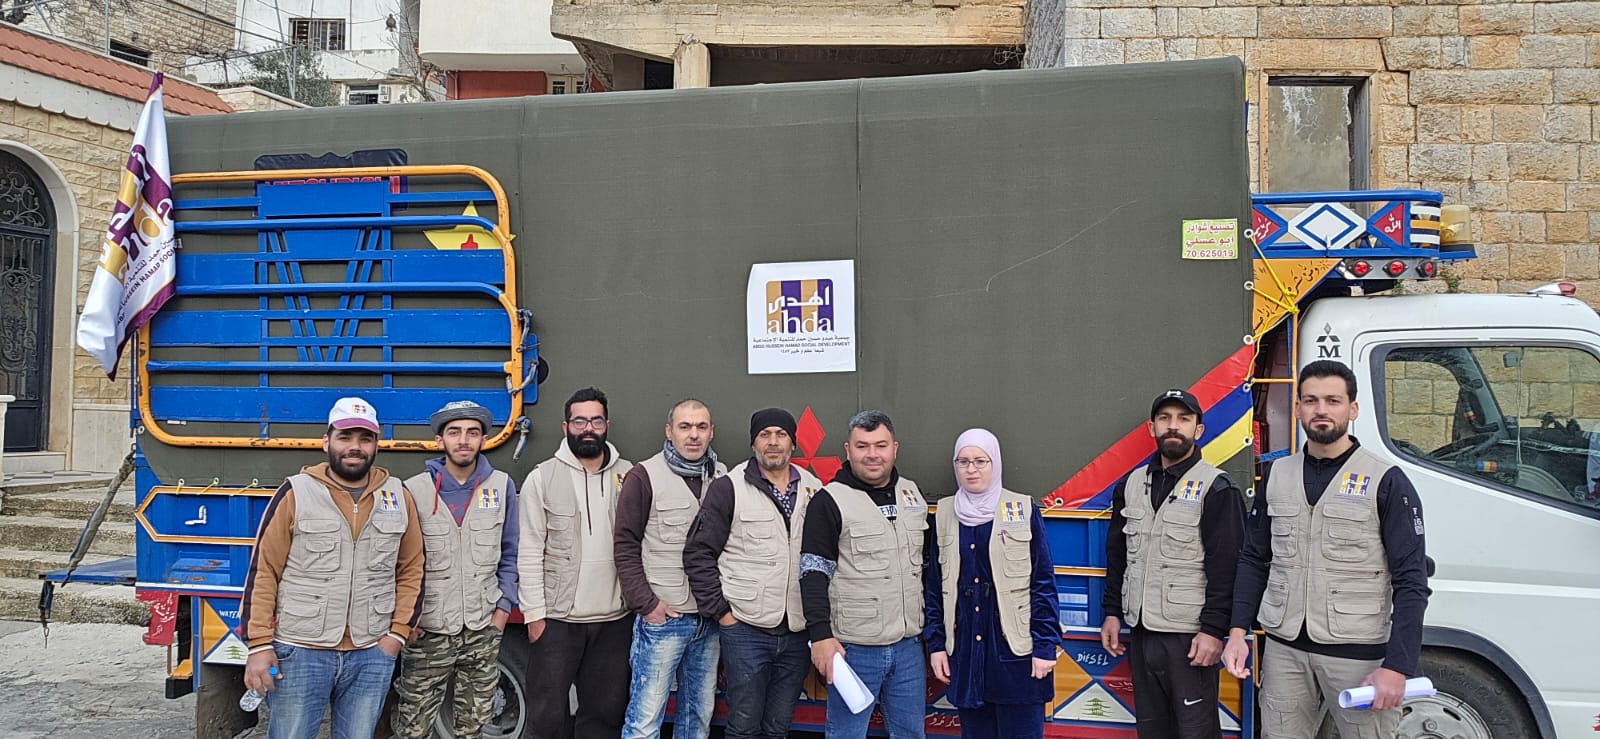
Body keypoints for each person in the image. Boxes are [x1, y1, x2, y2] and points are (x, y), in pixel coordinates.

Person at [1222, 360, 1431, 737]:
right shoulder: (1276, 476)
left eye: (1333, 401)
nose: (1321, 410)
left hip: (1359, 658)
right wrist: (1238, 632)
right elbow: (1254, 560)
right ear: (1298, 408)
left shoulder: (1386, 481)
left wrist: (1397, 666)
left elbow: (1411, 581)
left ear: (1353, 409)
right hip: (1284, 653)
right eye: (1311, 400)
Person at [240, 397, 425, 739]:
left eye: (365, 439)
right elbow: (263, 571)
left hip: (371, 653)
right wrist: (259, 645)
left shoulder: (399, 496)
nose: (355, 447)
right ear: (326, 442)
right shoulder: (295, 493)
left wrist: (396, 636)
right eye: (345, 437)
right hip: (301, 650)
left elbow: (412, 568)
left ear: (377, 444)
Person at [1100, 390, 1244, 738]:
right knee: (1152, 731)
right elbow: (1118, 556)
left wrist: (1213, 631)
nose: (1173, 426)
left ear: (1198, 429)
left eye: (1183, 419)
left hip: (1190, 638)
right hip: (1141, 633)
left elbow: (1227, 570)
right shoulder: (1131, 485)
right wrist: (1112, 612)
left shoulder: (1218, 488)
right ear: (1152, 428)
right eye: (1164, 418)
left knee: (1195, 732)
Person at [683, 408, 824, 739]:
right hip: (745, 629)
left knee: (778, 726)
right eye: (765, 435)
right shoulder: (729, 488)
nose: (773, 442)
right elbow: (698, 552)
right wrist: (723, 614)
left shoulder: (814, 489)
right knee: (744, 726)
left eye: (781, 435)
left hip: (796, 630)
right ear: (753, 443)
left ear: (793, 443)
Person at [393, 401, 519, 739]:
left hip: (482, 628)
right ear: (440, 440)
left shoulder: (501, 486)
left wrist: (502, 611)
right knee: (412, 728)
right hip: (429, 631)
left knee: (473, 726)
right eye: (454, 432)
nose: (464, 440)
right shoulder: (414, 490)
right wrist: (407, 617)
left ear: (484, 440)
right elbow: (400, 562)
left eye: (472, 433)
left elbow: (510, 552)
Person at [800, 410, 929, 739]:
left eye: (880, 445)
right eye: (862, 446)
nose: (872, 454)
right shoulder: (829, 501)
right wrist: (821, 637)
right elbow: (813, 574)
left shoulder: (912, 494)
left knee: (911, 734)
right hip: (853, 650)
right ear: (848, 450)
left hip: (908, 648)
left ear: (894, 449)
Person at [924, 429, 1060, 738]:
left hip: (1017, 656)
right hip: (966, 655)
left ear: (995, 463)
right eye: (963, 462)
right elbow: (934, 588)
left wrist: (1044, 647)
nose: (971, 469)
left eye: (980, 461)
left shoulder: (1023, 509)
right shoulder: (945, 513)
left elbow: (1042, 583)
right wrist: (936, 646)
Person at [518, 387, 636, 739]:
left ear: (607, 425)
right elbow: (529, 549)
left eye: (596, 421)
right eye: (580, 421)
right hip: (557, 620)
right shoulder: (542, 477)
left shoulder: (629, 475)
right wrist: (534, 616)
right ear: (565, 426)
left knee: (604, 717)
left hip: (614, 622)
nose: (588, 429)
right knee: (546, 719)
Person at [615, 399, 727, 739]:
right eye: (684, 427)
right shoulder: (643, 476)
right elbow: (625, 545)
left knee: (698, 719)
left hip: (709, 621)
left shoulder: (723, 477)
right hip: (664, 620)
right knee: (645, 721)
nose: (693, 435)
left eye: (701, 427)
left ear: (711, 432)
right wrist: (647, 605)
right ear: (669, 431)